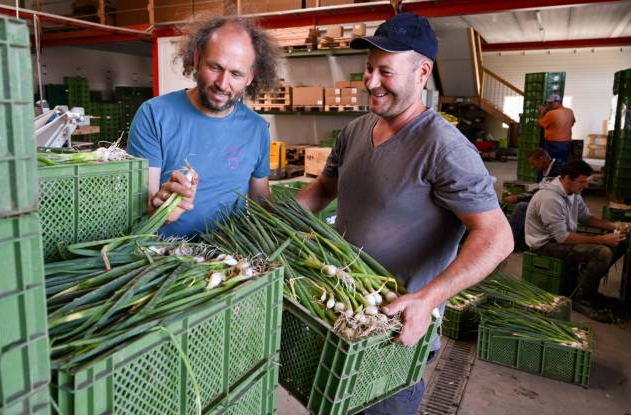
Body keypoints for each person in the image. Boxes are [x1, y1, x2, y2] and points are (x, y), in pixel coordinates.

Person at [294, 12, 513, 415]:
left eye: (385, 72)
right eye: (368, 69)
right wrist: (278, 218)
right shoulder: (356, 130)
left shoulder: (445, 148)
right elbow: (325, 188)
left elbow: (497, 237)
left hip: (393, 330)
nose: (371, 82)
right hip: (344, 309)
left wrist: (427, 299)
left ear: (421, 73)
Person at [128, 16, 280, 238]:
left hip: (230, 259)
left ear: (250, 78)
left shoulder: (256, 129)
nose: (222, 83)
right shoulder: (154, 115)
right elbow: (143, 202)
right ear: (198, 59)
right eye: (215, 67)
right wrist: (163, 207)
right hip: (163, 257)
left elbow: (261, 201)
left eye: (236, 74)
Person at [525, 159, 628, 323]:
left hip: (562, 238)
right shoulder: (550, 199)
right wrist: (601, 239)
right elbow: (562, 238)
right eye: (582, 181)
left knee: (621, 240)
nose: (585, 186)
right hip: (546, 244)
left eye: (586, 181)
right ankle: (582, 299)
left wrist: (614, 225)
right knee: (602, 252)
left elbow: (585, 217)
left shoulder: (573, 193)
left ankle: (585, 286)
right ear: (567, 178)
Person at [506, 148, 564, 246]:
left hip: (557, 205)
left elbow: (542, 193)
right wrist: (521, 195)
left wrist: (519, 198)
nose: (532, 167)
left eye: (533, 164)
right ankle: (521, 236)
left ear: (541, 159)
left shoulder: (557, 171)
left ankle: (508, 242)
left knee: (521, 206)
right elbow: (541, 188)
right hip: (549, 200)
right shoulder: (547, 169)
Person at [538, 94, 575, 163]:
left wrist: (542, 112)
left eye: (551, 103)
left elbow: (540, 124)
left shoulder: (552, 113)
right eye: (548, 103)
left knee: (549, 163)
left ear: (558, 102)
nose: (549, 105)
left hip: (553, 143)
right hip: (567, 143)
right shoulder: (570, 111)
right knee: (562, 163)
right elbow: (572, 123)